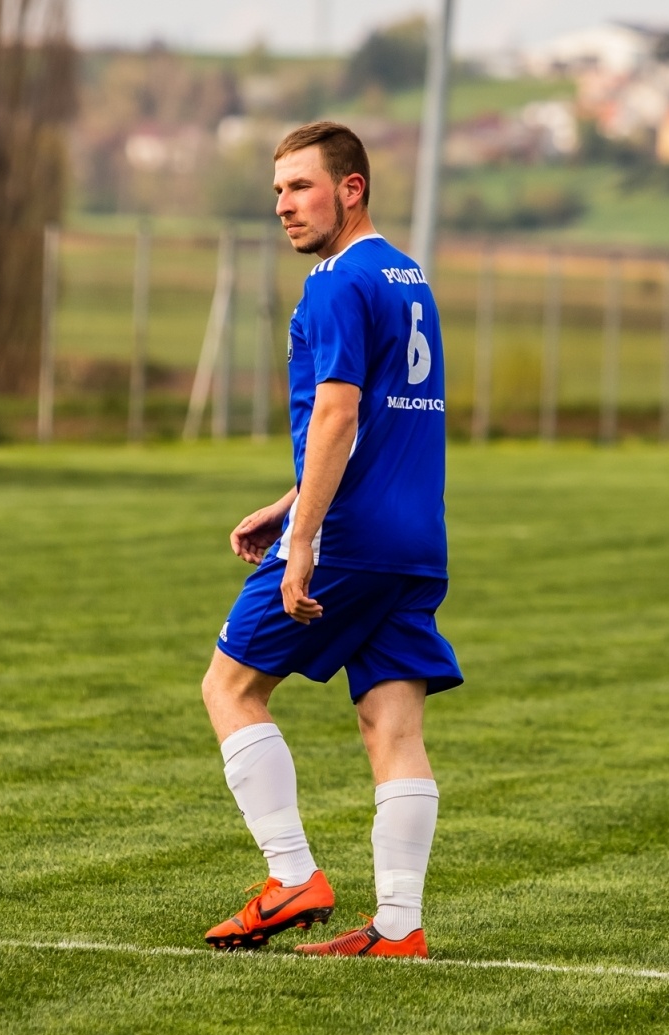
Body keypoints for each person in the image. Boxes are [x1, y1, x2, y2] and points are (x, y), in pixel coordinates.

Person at [200, 122, 461, 960]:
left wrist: (303, 535)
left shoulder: (338, 282)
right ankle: (398, 927)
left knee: (230, 686)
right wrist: (287, 502)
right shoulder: (406, 275)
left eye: (301, 186)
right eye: (277, 190)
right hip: (414, 535)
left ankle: (291, 877)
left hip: (347, 534)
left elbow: (342, 412)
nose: (283, 205)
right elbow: (370, 422)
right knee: (393, 724)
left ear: (352, 187)